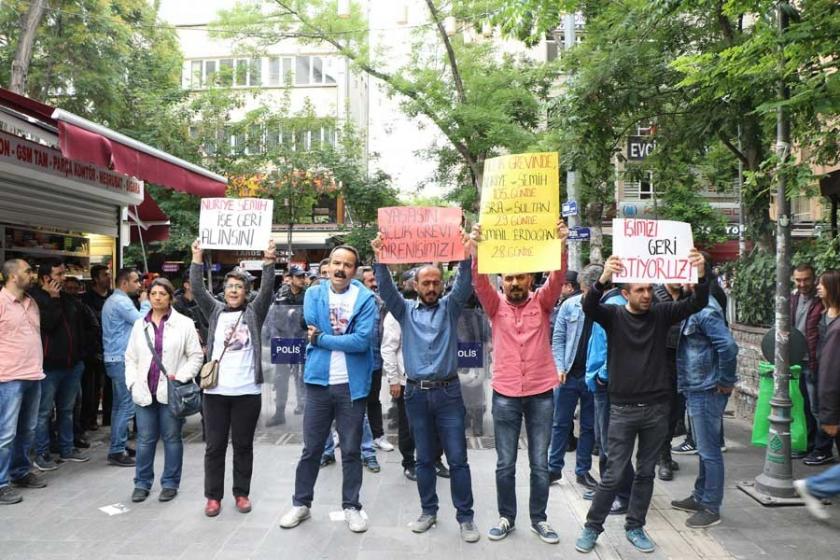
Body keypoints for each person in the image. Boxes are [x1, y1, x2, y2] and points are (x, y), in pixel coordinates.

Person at [574, 250, 708, 555]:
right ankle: (592, 528)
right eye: (640, 290)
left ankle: (635, 526)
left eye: (649, 289)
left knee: (646, 473)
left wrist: (701, 274)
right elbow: (588, 306)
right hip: (621, 409)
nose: (647, 295)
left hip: (656, 409)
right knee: (613, 474)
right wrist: (603, 277)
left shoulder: (661, 314)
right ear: (625, 294)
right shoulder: (613, 315)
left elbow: (696, 302)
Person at [371, 231, 481, 544]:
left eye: (436, 282)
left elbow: (465, 281)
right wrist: (380, 257)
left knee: (458, 458)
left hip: (448, 394)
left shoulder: (450, 307)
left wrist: (466, 252)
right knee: (423, 459)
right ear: (415, 286)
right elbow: (387, 290)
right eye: (426, 283)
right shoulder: (403, 311)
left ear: (441, 285)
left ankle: (466, 517)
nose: (432, 287)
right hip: (416, 394)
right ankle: (428, 511)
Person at [470, 221, 568, 544]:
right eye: (509, 277)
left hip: (541, 393)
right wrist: (477, 248)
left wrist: (561, 244)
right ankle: (506, 517)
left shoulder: (542, 302)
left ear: (530, 279)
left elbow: (557, 277)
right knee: (505, 464)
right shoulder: (494, 306)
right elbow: (478, 281)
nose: (514, 282)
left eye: (520, 277)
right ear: (502, 280)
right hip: (505, 394)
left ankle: (539, 519)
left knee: (540, 464)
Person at [280, 245, 378, 533]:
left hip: (352, 386)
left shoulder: (365, 298)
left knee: (350, 449)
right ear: (329, 265)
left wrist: (322, 338)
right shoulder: (314, 294)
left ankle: (352, 507)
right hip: (319, 383)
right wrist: (327, 337)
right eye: (336, 262)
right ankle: (301, 504)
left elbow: (361, 341)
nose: (340, 269)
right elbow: (313, 329)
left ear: (354, 269)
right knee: (311, 448)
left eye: (347, 265)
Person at [190, 239, 276, 517]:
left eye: (239, 287)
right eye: (229, 287)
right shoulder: (214, 311)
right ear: (224, 292)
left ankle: (241, 493)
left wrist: (269, 261)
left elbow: (267, 289)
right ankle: (213, 497)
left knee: (242, 446)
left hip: (247, 392)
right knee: (214, 447)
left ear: (246, 292)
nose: (234, 291)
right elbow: (199, 290)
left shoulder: (254, 312)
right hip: (215, 393)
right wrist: (196, 257)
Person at [124, 278, 203, 503]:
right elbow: (130, 357)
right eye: (154, 293)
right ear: (148, 296)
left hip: (172, 392)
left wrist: (181, 377)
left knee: (171, 438)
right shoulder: (140, 324)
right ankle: (141, 483)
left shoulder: (184, 323)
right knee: (145, 440)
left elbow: (196, 356)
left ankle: (170, 483)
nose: (157, 297)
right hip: (144, 391)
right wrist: (131, 383)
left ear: (170, 297)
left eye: (163, 293)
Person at [670, 277, 738, 528]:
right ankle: (700, 495)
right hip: (696, 386)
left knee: (709, 451)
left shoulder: (705, 310)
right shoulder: (694, 306)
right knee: (703, 447)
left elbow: (728, 347)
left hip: (707, 388)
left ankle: (711, 506)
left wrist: (725, 380)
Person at [30, 260, 89, 469]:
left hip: (72, 363)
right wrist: (53, 299)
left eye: (63, 274)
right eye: (58, 275)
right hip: (49, 365)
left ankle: (67, 448)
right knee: (44, 411)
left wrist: (81, 355)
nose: (63, 279)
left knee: (67, 409)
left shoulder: (68, 299)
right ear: (45, 278)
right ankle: (41, 453)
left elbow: (79, 326)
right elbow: (48, 324)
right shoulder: (34, 299)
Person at [0, 259, 47, 503]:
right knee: (5, 433)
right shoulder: (1, 303)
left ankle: (20, 472)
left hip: (33, 374)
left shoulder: (32, 302)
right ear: (12, 276)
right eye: (27, 271)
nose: (32, 275)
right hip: (9, 377)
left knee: (26, 430)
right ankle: (0, 482)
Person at [584, 275, 633, 515]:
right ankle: (608, 489)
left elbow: (616, 347)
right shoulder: (611, 302)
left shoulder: (614, 306)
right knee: (605, 442)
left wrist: (603, 375)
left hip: (608, 383)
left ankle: (623, 495)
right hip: (600, 382)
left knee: (613, 444)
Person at [795, 269, 840, 518]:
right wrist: (830, 416)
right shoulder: (833, 325)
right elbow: (830, 373)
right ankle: (814, 487)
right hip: (831, 399)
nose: (817, 288)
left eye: (822, 285)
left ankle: (815, 487)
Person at [550, 263, 598, 491]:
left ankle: (583, 471)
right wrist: (559, 366)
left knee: (589, 426)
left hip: (593, 377)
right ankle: (553, 468)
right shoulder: (569, 306)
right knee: (560, 423)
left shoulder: (606, 308)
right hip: (568, 374)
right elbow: (558, 339)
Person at [102, 268, 150, 467]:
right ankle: (116, 450)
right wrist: (145, 302)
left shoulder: (115, 300)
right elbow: (142, 322)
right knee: (126, 406)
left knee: (119, 406)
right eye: (136, 281)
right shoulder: (121, 302)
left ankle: (118, 445)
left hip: (115, 358)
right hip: (121, 359)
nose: (139, 285)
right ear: (124, 283)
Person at [793, 264, 832, 465]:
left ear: (813, 278)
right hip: (799, 362)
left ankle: (823, 449)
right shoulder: (793, 299)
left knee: (818, 409)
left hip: (816, 363)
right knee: (806, 408)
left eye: (806, 279)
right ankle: (809, 446)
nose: (802, 284)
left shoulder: (822, 301)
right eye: (798, 280)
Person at [267, 265, 308, 427]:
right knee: (280, 377)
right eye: (298, 277)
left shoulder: (308, 295)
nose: (302, 279)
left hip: (302, 339)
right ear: (290, 278)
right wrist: (274, 334)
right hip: (284, 339)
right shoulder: (281, 295)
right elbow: (273, 316)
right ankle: (279, 413)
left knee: (303, 376)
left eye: (303, 276)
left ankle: (305, 407)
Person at [359, 266, 393, 453]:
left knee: (373, 400)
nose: (374, 284)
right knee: (353, 401)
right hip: (356, 360)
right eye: (370, 281)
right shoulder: (354, 302)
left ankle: (377, 435)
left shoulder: (381, 302)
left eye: (375, 280)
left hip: (375, 360)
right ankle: (346, 435)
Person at [653, 284, 685, 481]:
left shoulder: (689, 295)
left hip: (683, 360)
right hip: (660, 361)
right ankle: (663, 456)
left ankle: (664, 451)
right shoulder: (654, 295)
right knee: (663, 411)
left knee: (676, 411)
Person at [81, 265, 112, 431]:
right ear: (95, 279)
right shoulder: (87, 299)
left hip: (112, 348)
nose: (108, 277)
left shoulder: (113, 297)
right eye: (104, 275)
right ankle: (90, 419)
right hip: (94, 350)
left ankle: (108, 418)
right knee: (91, 388)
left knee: (110, 386)